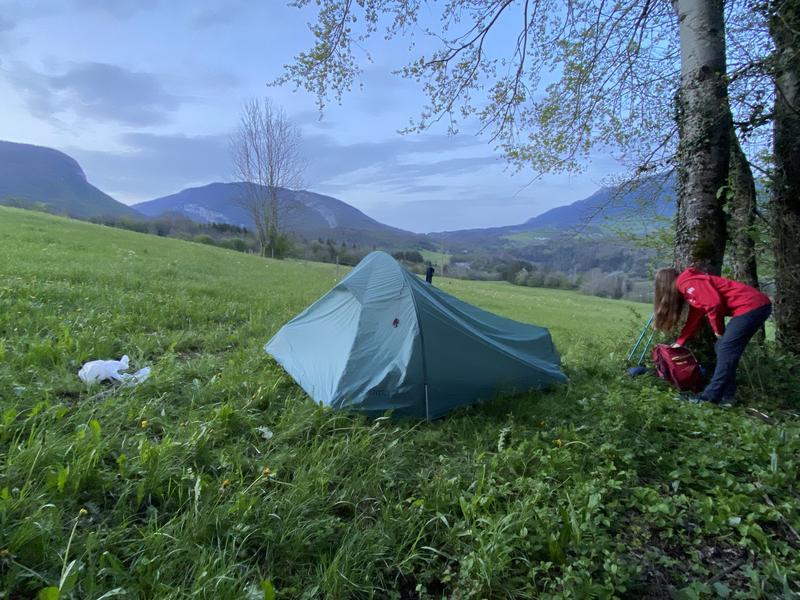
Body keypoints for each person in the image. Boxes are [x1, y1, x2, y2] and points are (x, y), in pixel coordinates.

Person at [653, 266, 772, 406]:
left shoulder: (687, 283)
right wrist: (680, 342)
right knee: (722, 347)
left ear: (665, 285)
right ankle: (728, 397)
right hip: (754, 306)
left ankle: (710, 397)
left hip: (752, 306)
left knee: (726, 349)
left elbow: (713, 304)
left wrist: (718, 329)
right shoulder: (689, 287)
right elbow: (695, 317)